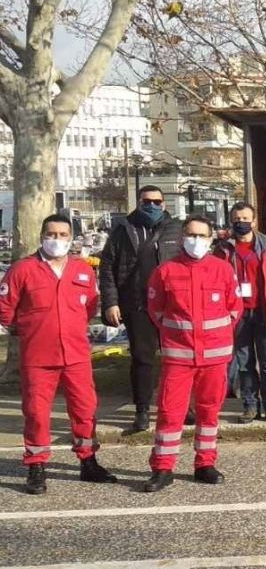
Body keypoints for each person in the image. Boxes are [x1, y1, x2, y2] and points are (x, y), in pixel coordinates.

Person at [0, 214, 117, 494]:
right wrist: (29, 331)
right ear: (42, 236)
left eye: (63, 234)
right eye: (52, 234)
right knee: (37, 414)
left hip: (76, 354)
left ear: (71, 237)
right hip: (38, 357)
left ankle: (88, 462)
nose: (57, 239)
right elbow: (5, 310)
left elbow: (89, 307)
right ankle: (36, 466)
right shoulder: (22, 269)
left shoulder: (82, 270)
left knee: (85, 410)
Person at [143, 216, 241, 492]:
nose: (195, 240)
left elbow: (234, 309)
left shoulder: (222, 270)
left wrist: (214, 338)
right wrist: (180, 336)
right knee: (170, 413)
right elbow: (157, 311)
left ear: (211, 240)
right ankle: (163, 468)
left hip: (214, 357)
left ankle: (205, 464)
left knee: (209, 413)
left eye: (201, 235)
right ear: (182, 237)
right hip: (179, 357)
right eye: (190, 234)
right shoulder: (165, 271)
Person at [99, 185, 182, 432]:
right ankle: (142, 410)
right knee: (142, 359)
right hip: (137, 303)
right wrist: (111, 303)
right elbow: (107, 269)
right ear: (139, 202)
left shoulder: (177, 229)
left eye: (157, 202)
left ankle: (179, 407)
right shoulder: (123, 229)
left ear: (164, 203)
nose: (153, 206)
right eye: (147, 201)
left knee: (177, 360)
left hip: (172, 305)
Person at [215, 202, 266, 424]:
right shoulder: (223, 250)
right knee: (244, 363)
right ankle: (250, 406)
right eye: (237, 219)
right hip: (237, 315)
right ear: (231, 221)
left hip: (265, 312)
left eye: (245, 218)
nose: (241, 222)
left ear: (254, 221)